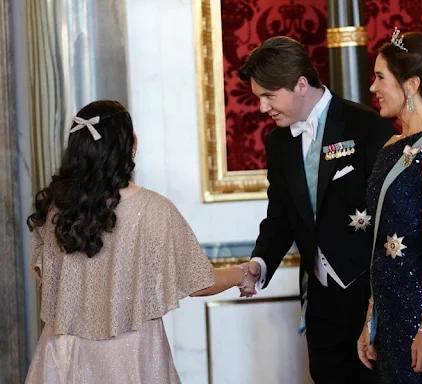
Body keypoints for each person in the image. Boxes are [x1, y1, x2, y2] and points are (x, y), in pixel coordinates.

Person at [25, 100, 251, 384]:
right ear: (130, 144)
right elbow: (199, 282)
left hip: (62, 351)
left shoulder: (56, 210)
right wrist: (242, 273)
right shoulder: (153, 208)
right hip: (130, 354)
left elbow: (48, 281)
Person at [236, 36, 396, 383]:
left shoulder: (367, 125)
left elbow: (394, 217)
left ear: (301, 84)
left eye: (269, 96)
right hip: (321, 305)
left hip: (373, 299)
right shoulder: (277, 142)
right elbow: (280, 216)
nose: (263, 108)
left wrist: (382, 302)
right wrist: (259, 263)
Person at [356, 29, 422, 383]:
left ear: (411, 84)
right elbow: (380, 241)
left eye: (381, 77)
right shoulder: (392, 144)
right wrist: (371, 318)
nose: (373, 87)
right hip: (390, 312)